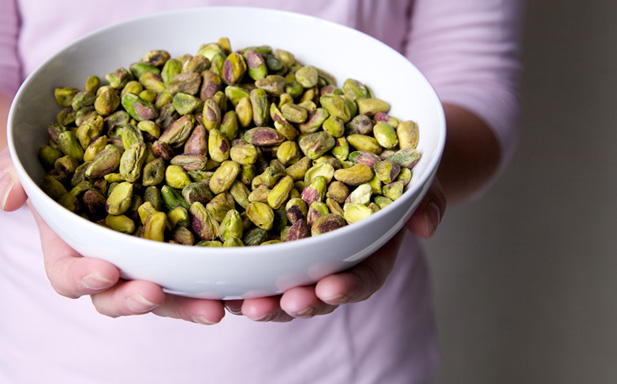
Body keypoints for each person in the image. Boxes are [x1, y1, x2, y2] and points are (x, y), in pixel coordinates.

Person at [0, 0, 524, 383]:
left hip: (351, 360)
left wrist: (416, 182)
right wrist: (13, 160)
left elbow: (476, 79)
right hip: (55, 352)